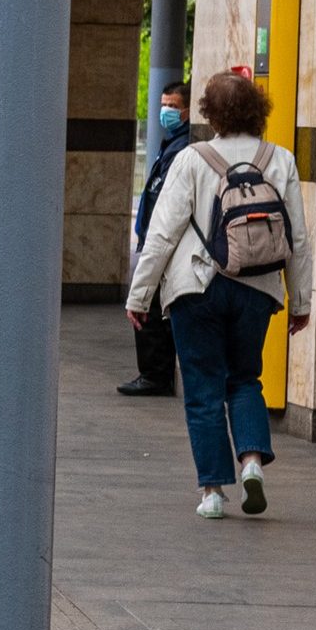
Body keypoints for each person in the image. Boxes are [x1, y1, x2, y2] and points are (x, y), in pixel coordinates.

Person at [128, 72, 313, 518]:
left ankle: (212, 491)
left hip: (197, 287)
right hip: (258, 288)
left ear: (208, 112)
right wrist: (301, 301)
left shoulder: (192, 159)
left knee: (203, 386)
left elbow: (163, 234)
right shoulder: (280, 159)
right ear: (257, 110)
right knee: (245, 378)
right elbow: (298, 239)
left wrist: (141, 294)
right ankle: (251, 461)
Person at [119, 81, 190, 396]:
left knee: (147, 304)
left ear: (188, 110)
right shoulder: (172, 143)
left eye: (173, 106)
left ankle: (155, 374)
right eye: (164, 104)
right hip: (154, 238)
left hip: (163, 242)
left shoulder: (181, 148)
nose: (166, 111)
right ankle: (155, 372)